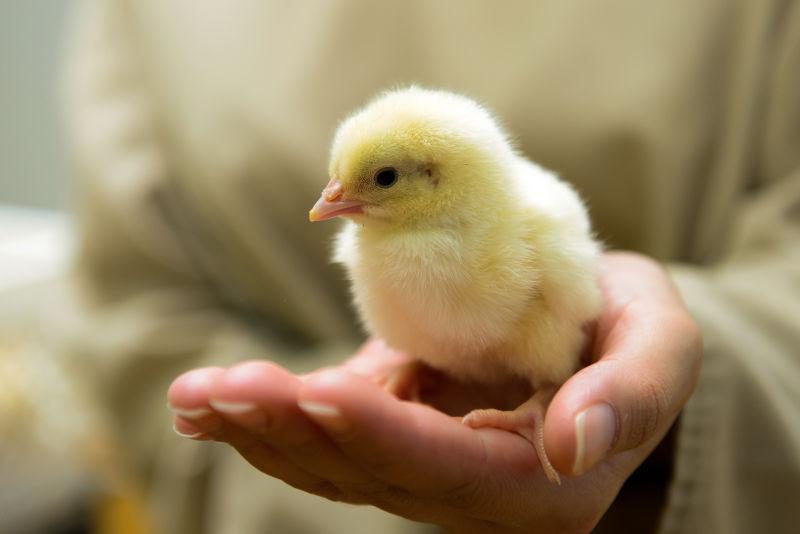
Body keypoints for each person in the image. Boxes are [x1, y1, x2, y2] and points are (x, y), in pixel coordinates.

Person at [62, 1, 799, 532]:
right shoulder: (144, 21)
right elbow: (136, 307)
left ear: (437, 181)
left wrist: (664, 403)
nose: (334, 201)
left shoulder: (528, 228)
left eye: (377, 182)